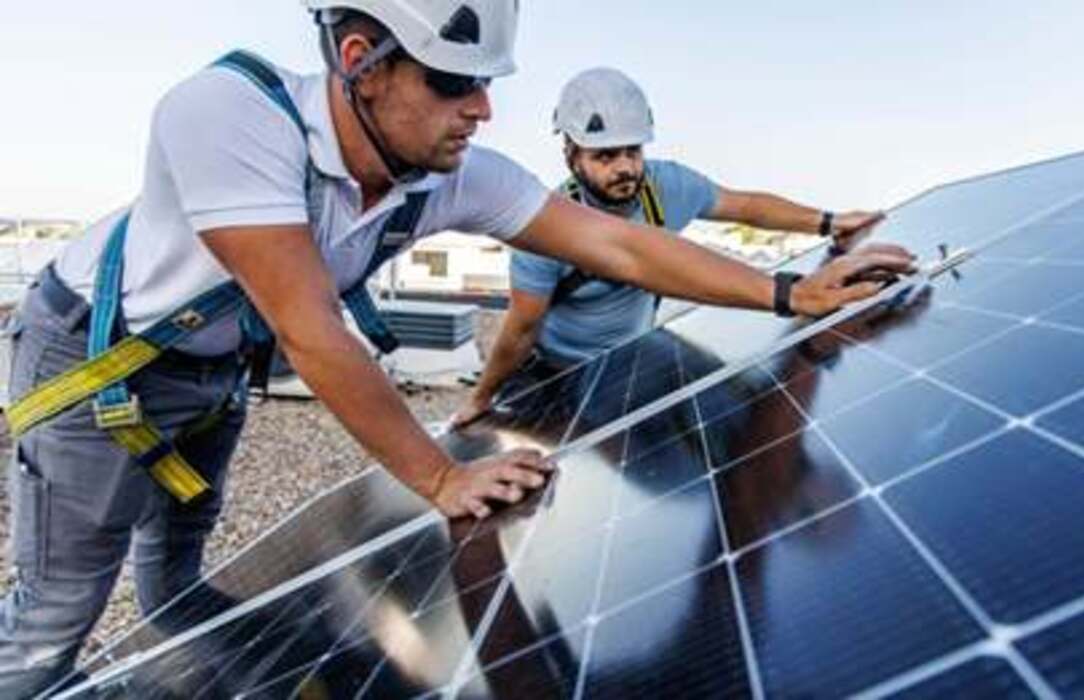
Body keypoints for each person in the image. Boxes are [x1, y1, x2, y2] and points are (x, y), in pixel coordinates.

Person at [0, 1, 914, 694]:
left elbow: (619, 244)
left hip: (215, 377)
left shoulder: (445, 174)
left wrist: (789, 292)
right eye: (451, 81)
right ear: (360, 61)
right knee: (55, 614)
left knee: (172, 579)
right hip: (98, 368)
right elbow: (310, 329)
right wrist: (440, 478)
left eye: (485, 85)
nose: (480, 108)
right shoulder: (231, 113)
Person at [452, 67, 889, 427]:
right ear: (572, 156)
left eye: (633, 151)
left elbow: (746, 206)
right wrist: (482, 396)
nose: (625, 168)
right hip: (567, 374)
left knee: (740, 422)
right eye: (605, 156)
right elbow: (521, 329)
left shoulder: (667, 187)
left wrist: (828, 221)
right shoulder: (547, 228)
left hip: (639, 355)